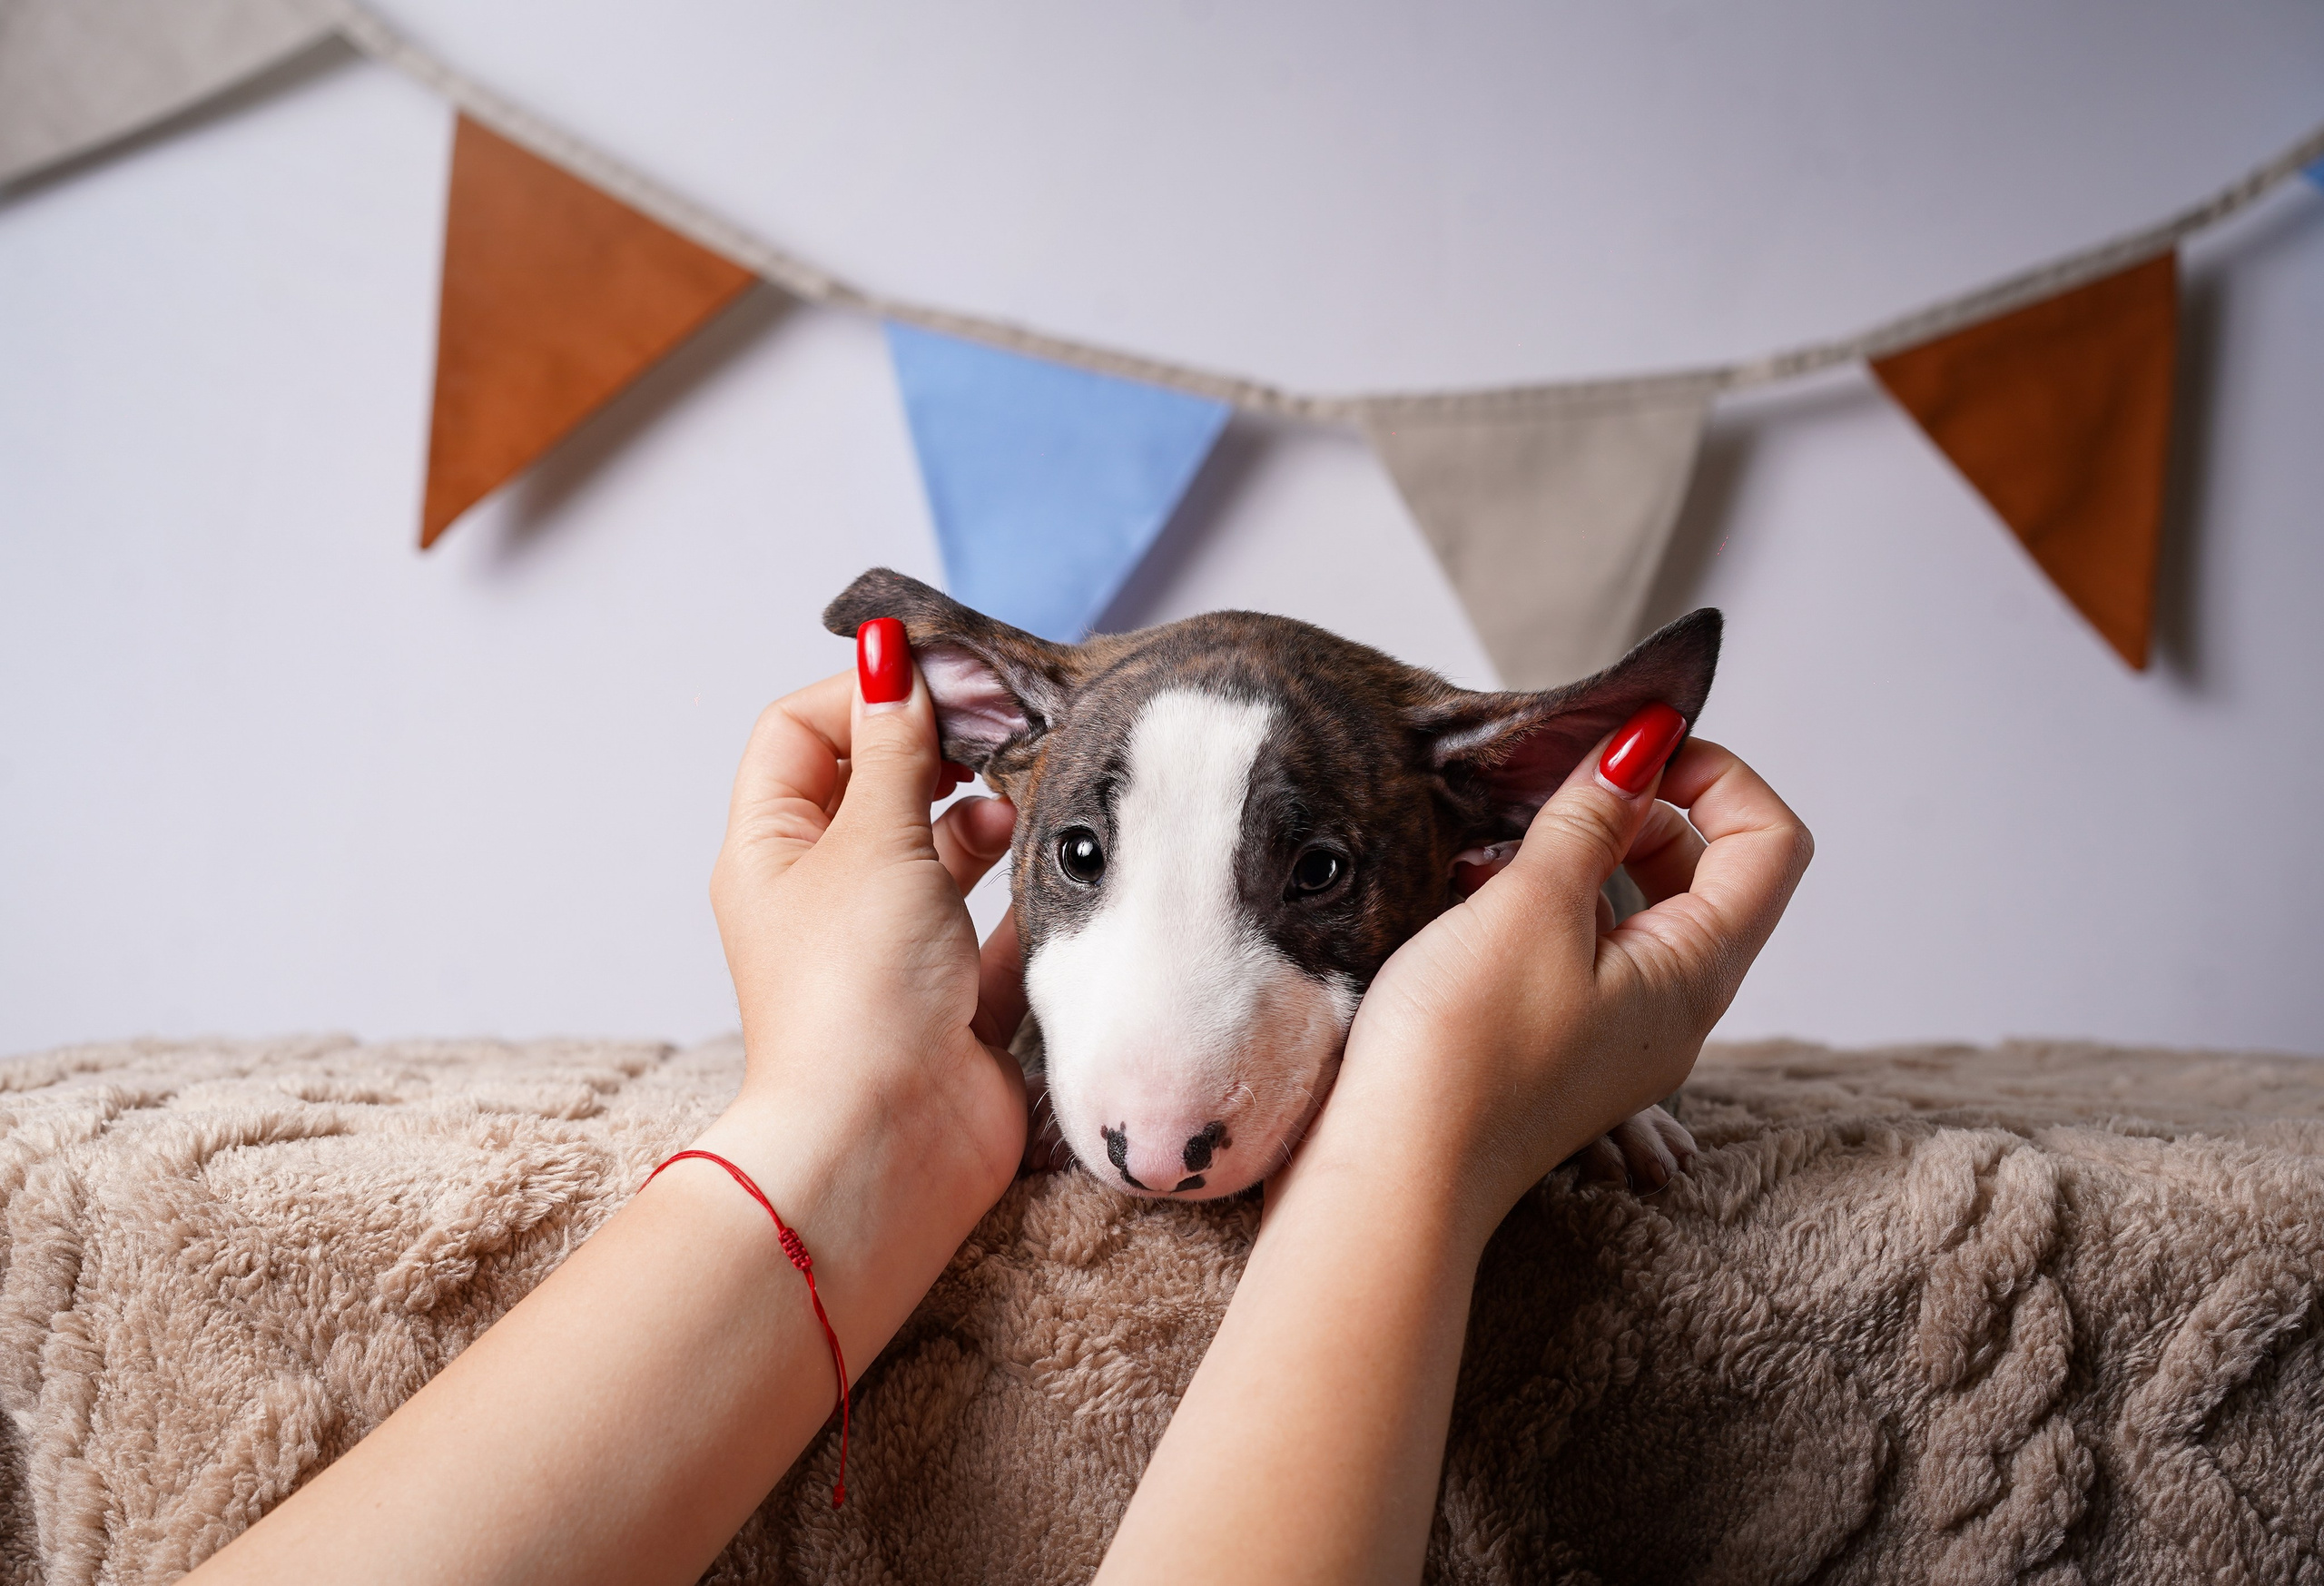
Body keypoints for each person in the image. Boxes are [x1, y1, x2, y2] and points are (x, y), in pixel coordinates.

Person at [186, 623, 1811, 1586]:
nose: (1149, 1123)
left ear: (1500, 814)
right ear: (994, 760)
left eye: (1316, 872)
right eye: (1081, 859)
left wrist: (852, 1116)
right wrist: (1432, 1150)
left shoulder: (1465, 819)